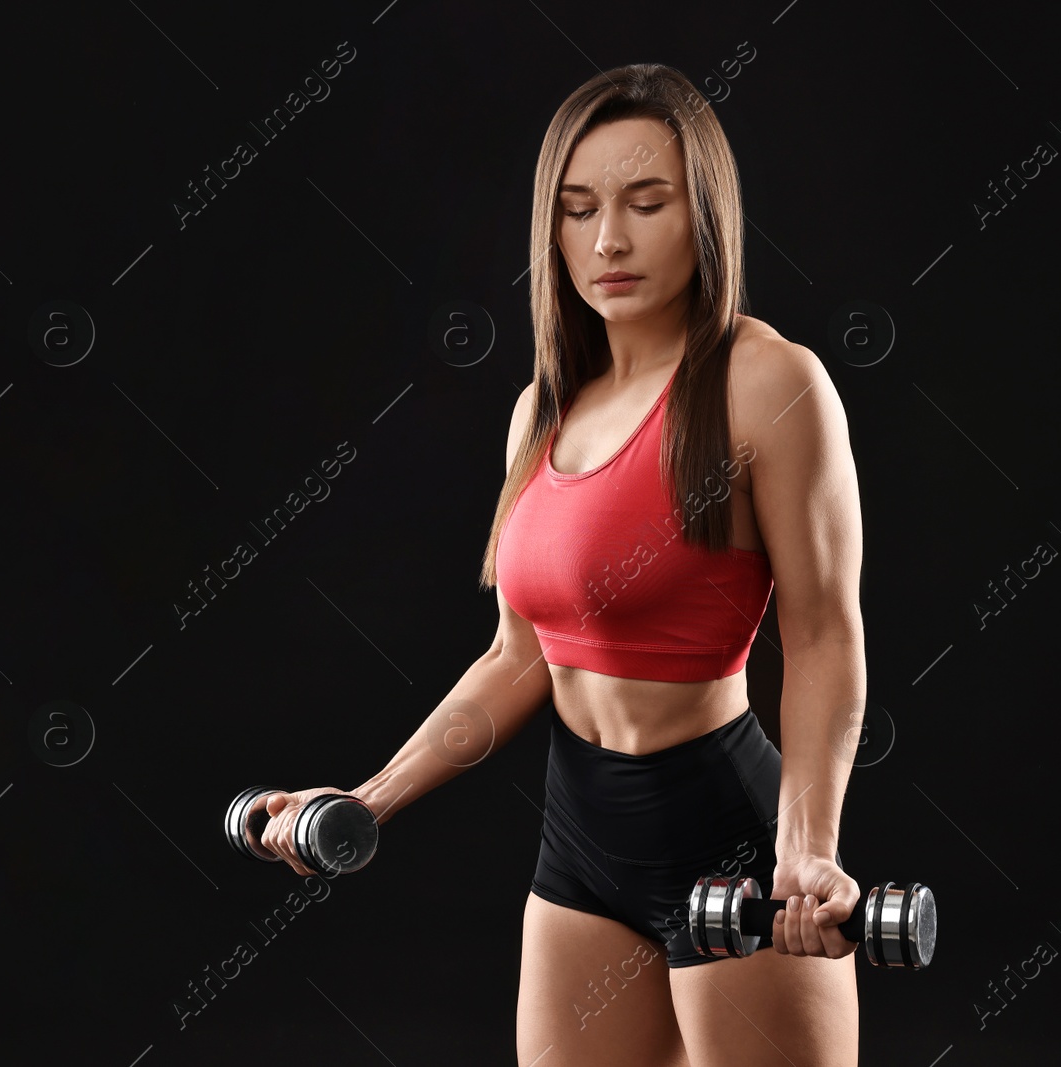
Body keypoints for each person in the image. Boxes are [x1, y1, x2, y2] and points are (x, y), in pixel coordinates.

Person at [255, 62, 868, 1067]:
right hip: (581, 841)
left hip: (730, 838)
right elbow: (520, 652)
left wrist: (807, 848)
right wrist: (368, 797)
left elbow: (823, 634)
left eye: (645, 203)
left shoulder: (769, 381)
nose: (608, 241)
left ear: (702, 212)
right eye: (578, 210)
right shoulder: (541, 411)